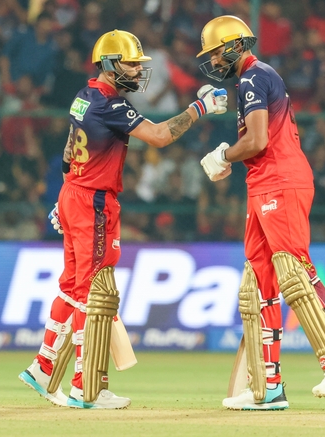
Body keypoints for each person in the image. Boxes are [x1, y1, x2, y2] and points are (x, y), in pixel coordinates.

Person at [18, 29, 227, 409]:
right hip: (94, 203)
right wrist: (201, 108)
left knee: (71, 287)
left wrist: (65, 196)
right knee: (92, 295)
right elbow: (160, 136)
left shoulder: (84, 97)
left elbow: (68, 151)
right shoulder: (112, 105)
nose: (137, 71)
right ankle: (85, 386)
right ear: (110, 64)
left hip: (75, 193)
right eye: (131, 64)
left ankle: (44, 367)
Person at [197, 15, 325, 411]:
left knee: (294, 270)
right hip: (263, 182)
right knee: (257, 284)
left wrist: (223, 155)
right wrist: (229, 157)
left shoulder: (255, 77)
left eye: (217, 51)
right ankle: (267, 387)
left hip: (281, 181)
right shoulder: (251, 79)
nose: (214, 60)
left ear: (236, 45)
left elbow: (257, 141)